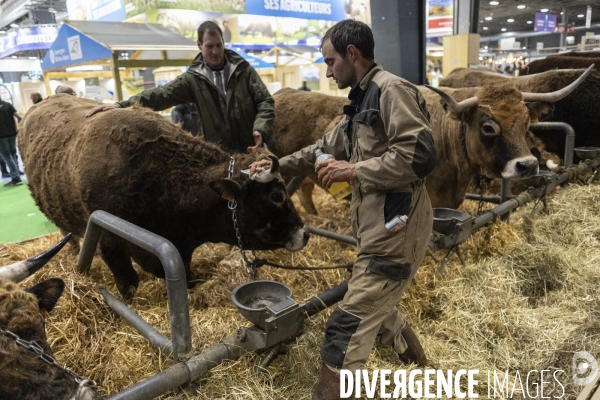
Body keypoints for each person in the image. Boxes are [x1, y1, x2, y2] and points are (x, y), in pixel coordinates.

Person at [249, 20, 437, 399]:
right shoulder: (359, 103)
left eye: (330, 60)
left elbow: (420, 155)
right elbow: (322, 148)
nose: (328, 69)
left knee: (344, 331)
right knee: (382, 314)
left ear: (352, 54)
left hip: (397, 233)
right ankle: (425, 377)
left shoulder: (391, 91)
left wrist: (355, 170)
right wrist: (277, 166)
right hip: (378, 232)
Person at [86, 21, 275, 154]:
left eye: (219, 45)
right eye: (209, 46)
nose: (216, 52)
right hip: (220, 156)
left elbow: (265, 100)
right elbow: (160, 95)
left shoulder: (243, 70)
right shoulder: (192, 80)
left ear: (224, 43)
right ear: (199, 45)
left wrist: (260, 128)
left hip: (252, 150)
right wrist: (122, 105)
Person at [0, 99, 23, 187]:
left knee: (7, 156)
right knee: (13, 154)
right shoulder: (8, 105)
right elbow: (19, 117)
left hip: (1, 136)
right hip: (12, 133)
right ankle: (16, 174)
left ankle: (16, 178)